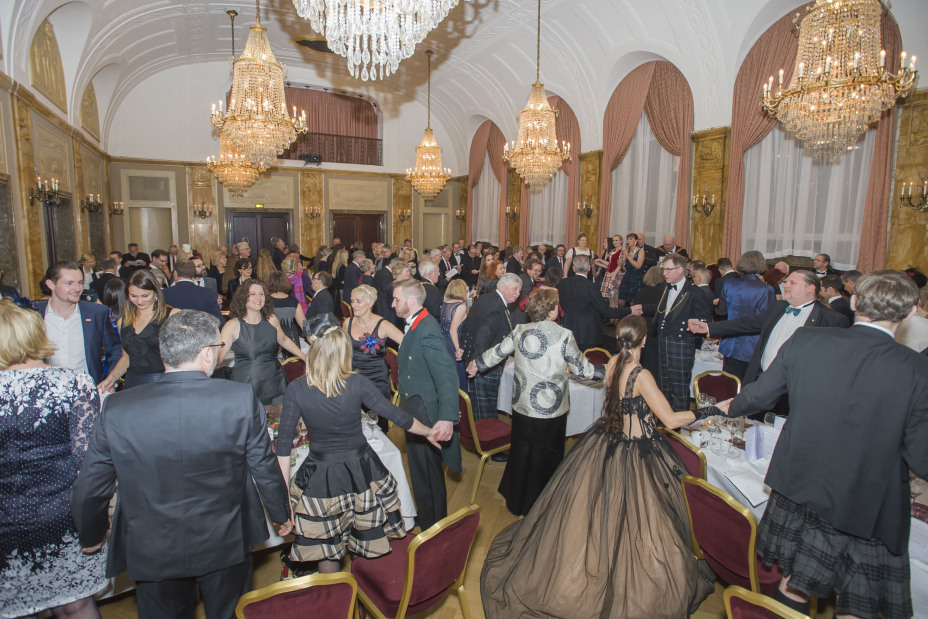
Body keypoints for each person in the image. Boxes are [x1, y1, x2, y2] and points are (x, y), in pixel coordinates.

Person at [718, 271, 928, 617]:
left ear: (855, 301)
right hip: (868, 504)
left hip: (799, 484)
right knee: (857, 601)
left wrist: (729, 406)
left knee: (794, 581)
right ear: (910, 312)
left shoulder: (806, 340)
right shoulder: (918, 369)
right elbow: (921, 458)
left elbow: (759, 395)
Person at [480, 315, 714, 616]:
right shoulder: (641, 374)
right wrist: (709, 411)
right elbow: (669, 419)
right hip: (637, 450)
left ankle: (600, 563)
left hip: (608, 441)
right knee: (642, 517)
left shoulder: (614, 362)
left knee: (604, 512)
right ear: (644, 341)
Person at [71, 310, 291, 619]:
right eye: (218, 347)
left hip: (153, 544)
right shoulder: (239, 397)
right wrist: (281, 513)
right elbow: (264, 466)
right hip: (226, 537)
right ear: (206, 353)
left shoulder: (118, 407)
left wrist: (91, 533)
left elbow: (91, 484)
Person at [278, 327, 439, 572]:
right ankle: (364, 587)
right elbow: (396, 415)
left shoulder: (297, 389)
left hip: (321, 474)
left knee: (327, 546)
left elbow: (283, 446)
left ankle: (337, 593)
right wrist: (428, 432)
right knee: (365, 535)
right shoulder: (357, 383)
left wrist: (283, 496)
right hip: (361, 470)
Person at [0, 300, 107, 619]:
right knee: (76, 605)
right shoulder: (73, 383)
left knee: (16, 610)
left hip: (6, 520)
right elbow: (90, 465)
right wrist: (95, 522)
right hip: (63, 517)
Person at [468, 287, 604, 515]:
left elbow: (498, 352)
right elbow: (583, 370)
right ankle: (544, 503)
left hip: (522, 405)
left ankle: (517, 500)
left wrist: (477, 363)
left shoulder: (520, 330)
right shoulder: (564, 335)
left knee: (521, 450)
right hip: (552, 408)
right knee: (547, 454)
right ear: (551, 311)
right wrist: (606, 372)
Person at [689, 270, 849, 388]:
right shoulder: (778, 307)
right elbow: (747, 323)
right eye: (786, 282)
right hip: (762, 382)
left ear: (810, 289)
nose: (785, 286)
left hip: (796, 388)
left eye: (792, 283)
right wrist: (709, 327)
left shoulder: (832, 320)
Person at [392, 279, 461, 529]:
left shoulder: (426, 328)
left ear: (411, 301)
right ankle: (427, 517)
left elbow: (446, 376)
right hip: (414, 407)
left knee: (429, 474)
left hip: (424, 411)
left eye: (396, 299)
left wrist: (447, 417)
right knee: (420, 472)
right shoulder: (416, 323)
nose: (393, 304)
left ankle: (436, 528)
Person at [640, 253, 712, 410]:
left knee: (679, 389)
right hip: (663, 341)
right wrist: (643, 308)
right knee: (663, 386)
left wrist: (696, 324)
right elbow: (663, 309)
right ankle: (664, 420)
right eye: (663, 269)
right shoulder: (666, 288)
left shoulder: (695, 292)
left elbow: (706, 320)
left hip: (681, 343)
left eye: (668, 270)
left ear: (680, 270)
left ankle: (679, 421)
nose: (664, 273)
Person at [218, 279, 305, 405]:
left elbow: (284, 340)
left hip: (275, 381)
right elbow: (219, 355)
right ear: (243, 297)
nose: (258, 297)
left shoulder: (271, 319)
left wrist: (305, 357)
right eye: (252, 294)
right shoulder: (232, 325)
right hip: (247, 383)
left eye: (261, 294)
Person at [35, 261, 122, 386]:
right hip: (46, 389)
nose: (77, 289)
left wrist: (111, 380)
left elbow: (115, 349)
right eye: (69, 283)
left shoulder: (96, 313)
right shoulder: (34, 315)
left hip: (88, 389)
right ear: (51, 284)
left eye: (80, 282)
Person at [98, 270, 180, 391]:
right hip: (133, 384)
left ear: (156, 292)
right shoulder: (123, 321)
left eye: (145, 296)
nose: (140, 301)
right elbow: (127, 358)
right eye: (134, 296)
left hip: (164, 384)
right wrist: (111, 379)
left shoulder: (173, 316)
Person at [344, 283, 405, 425]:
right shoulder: (347, 323)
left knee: (377, 423)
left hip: (376, 382)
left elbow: (407, 343)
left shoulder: (383, 325)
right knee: (354, 421)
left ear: (371, 302)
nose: (354, 305)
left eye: (358, 301)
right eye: (352, 301)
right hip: (353, 380)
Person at [466, 273, 521, 422]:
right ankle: (485, 435)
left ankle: (476, 434)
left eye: (519, 290)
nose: (517, 293)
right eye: (515, 289)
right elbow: (483, 336)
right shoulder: (497, 306)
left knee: (477, 407)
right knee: (487, 412)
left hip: (477, 360)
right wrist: (476, 363)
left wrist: (464, 349)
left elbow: (468, 325)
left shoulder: (484, 298)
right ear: (502, 286)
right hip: (486, 365)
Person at [715, 251, 776, 381]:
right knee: (749, 386)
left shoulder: (729, 284)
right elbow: (767, 320)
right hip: (752, 345)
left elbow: (721, 311)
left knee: (730, 384)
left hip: (730, 343)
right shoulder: (766, 290)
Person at [557, 255, 636, 352]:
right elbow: (606, 311)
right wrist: (630, 310)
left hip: (568, 331)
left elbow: (562, 305)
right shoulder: (591, 287)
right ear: (589, 268)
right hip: (588, 335)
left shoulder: (563, 284)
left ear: (573, 268)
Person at [440, 279, 469, 392]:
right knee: (458, 377)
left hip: (444, 343)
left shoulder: (445, 303)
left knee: (448, 377)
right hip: (454, 344)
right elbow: (453, 329)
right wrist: (458, 349)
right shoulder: (460, 307)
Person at [268, 270, 305, 352]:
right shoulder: (293, 301)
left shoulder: (266, 301)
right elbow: (303, 324)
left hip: (273, 338)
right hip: (292, 339)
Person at [617, 232, 646, 304]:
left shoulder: (640, 251)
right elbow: (620, 264)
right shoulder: (627, 251)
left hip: (637, 278)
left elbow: (638, 266)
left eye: (630, 239)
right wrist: (622, 254)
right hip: (627, 277)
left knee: (633, 302)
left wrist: (628, 257)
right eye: (627, 239)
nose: (628, 241)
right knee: (620, 301)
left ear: (636, 241)